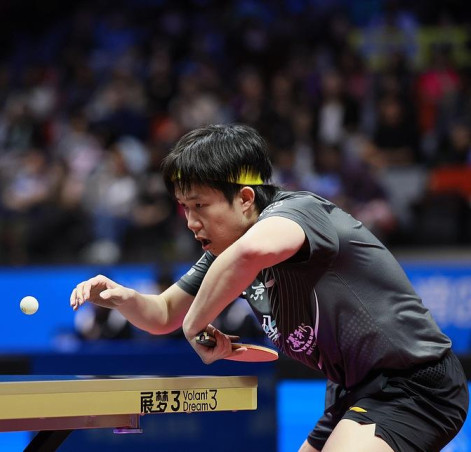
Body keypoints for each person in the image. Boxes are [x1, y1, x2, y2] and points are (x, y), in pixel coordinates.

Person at [69, 123, 468, 452]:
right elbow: (164, 315)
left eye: (200, 205)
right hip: (353, 390)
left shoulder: (298, 213)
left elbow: (251, 253)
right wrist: (124, 299)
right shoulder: (225, 254)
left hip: (414, 384)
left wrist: (195, 325)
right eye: (184, 208)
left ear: (245, 198)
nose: (190, 222)